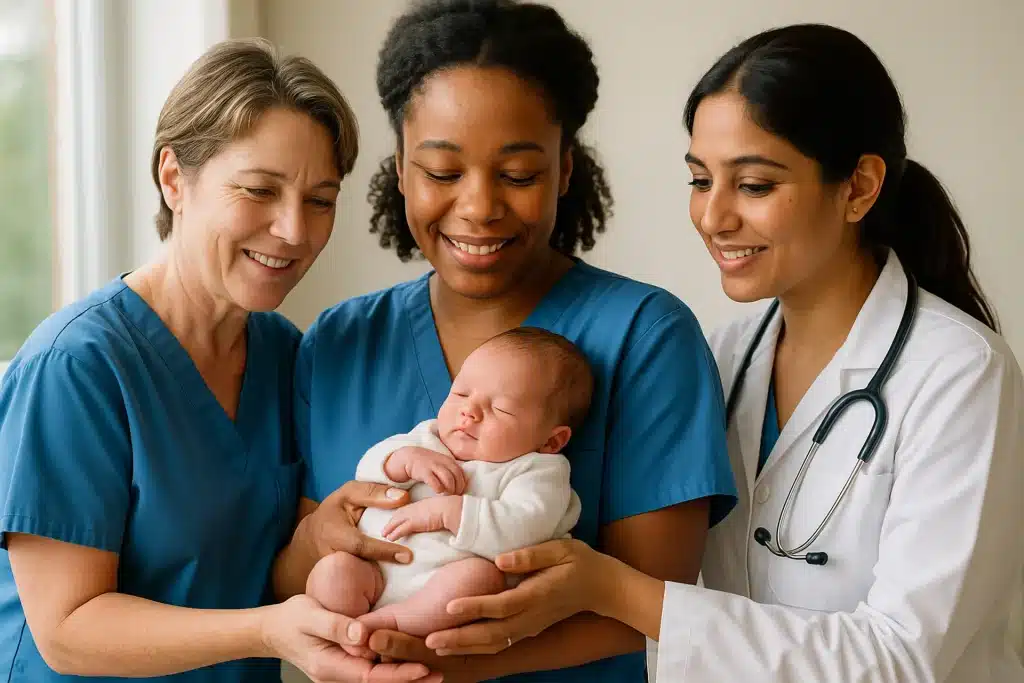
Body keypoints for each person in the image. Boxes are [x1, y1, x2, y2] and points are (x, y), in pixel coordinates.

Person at [418, 23, 1024, 683]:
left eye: (754, 185)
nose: (713, 216)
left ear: (858, 187)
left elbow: (900, 659)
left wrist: (617, 589)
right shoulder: (727, 354)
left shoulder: (960, 373)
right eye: (701, 180)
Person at [272, 1, 739, 681]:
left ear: (566, 169)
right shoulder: (341, 342)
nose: (480, 206)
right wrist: (319, 546)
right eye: (441, 172)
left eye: (518, 174)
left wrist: (443, 666)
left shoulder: (645, 337)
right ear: (400, 168)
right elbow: (291, 576)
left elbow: (657, 602)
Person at [0, 38, 437, 683]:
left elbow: (274, 558)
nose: (294, 229)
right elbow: (68, 629)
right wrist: (266, 630)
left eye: (320, 199)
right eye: (260, 190)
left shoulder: (288, 355)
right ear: (174, 178)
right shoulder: (76, 368)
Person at [306, 327, 590, 651]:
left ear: (552, 440)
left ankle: (392, 623)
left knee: (479, 579)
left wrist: (448, 513)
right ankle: (337, 632)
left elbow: (527, 526)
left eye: (501, 409)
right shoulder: (428, 438)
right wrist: (402, 461)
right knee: (334, 569)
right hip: (374, 570)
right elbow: (366, 473)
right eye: (461, 394)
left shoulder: (537, 470)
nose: (469, 412)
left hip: (444, 584)